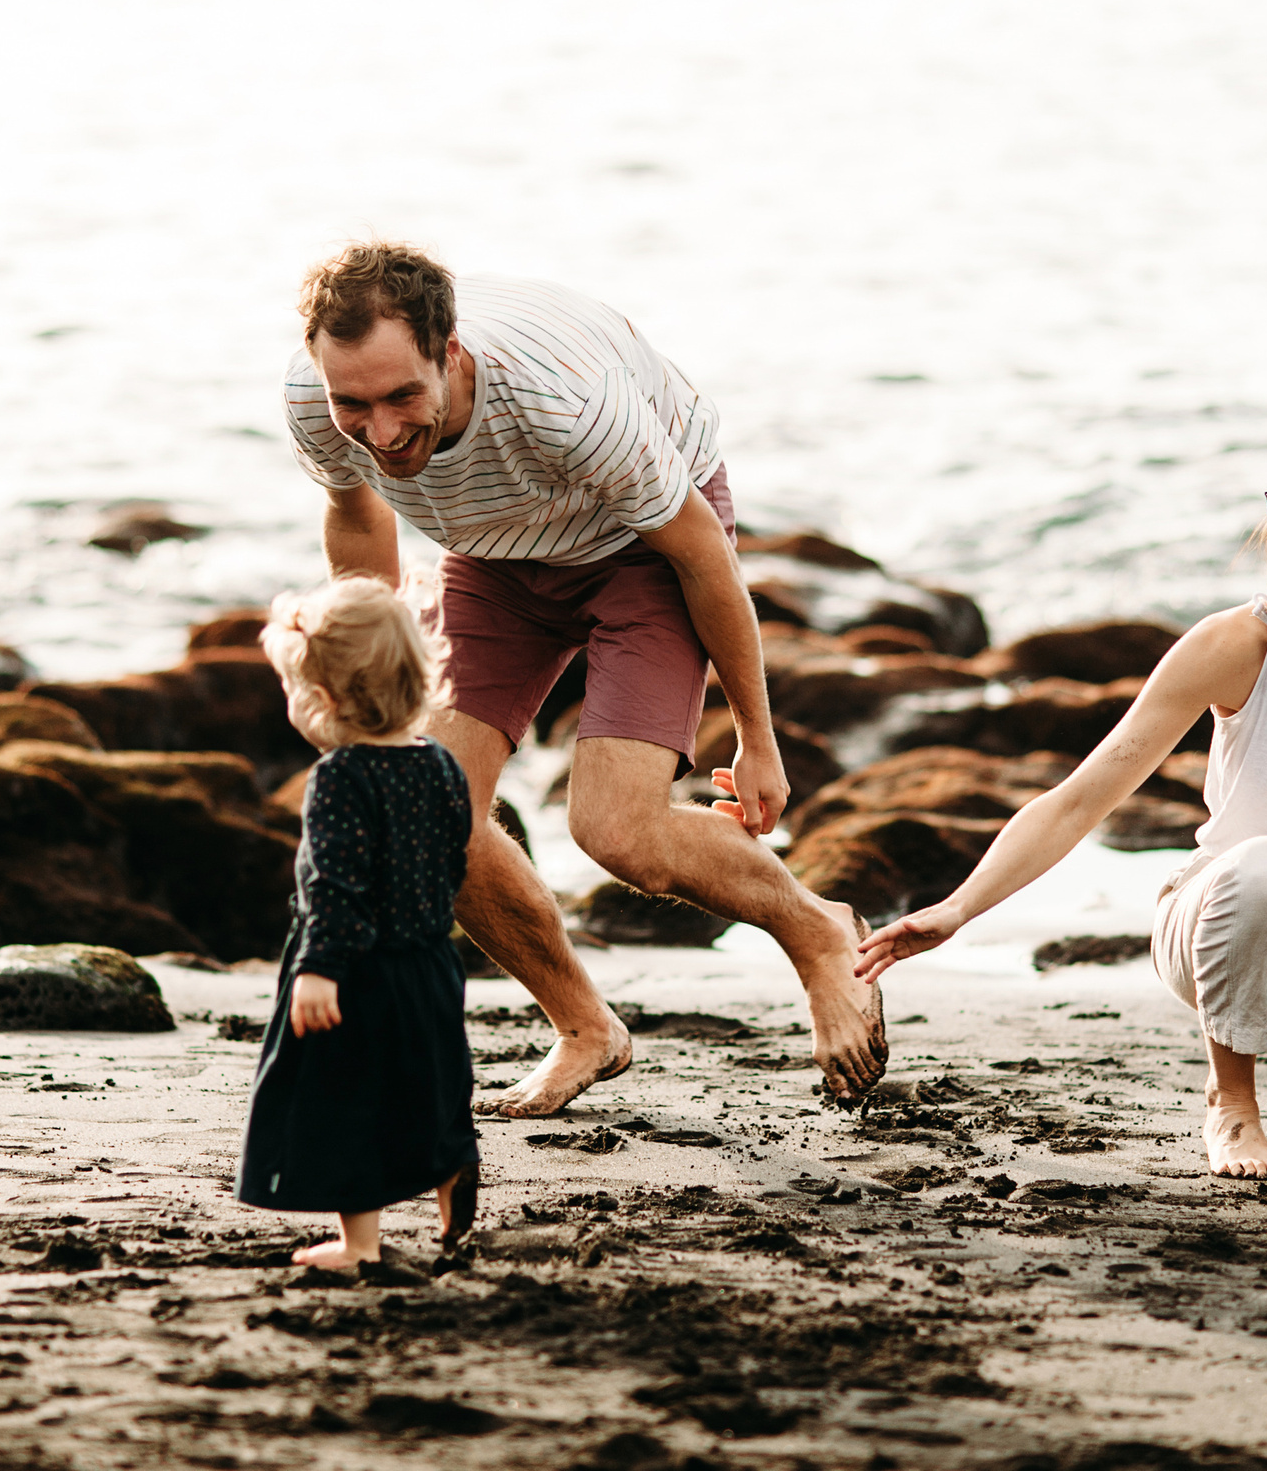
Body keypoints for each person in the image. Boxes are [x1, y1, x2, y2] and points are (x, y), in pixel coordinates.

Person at [284, 241, 887, 1114]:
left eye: (402, 397)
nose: (379, 431)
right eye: (355, 405)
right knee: (426, 809)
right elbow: (356, 514)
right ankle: (586, 1030)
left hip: (641, 550)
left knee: (620, 833)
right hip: (491, 553)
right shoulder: (314, 401)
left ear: (450, 354)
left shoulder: (565, 405)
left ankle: (819, 933)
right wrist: (364, 675)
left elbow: (702, 555)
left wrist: (759, 738)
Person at [855, 403, 1267, 1176]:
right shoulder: (1235, 646)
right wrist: (959, 908)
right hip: (1227, 921)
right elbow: (1080, 799)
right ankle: (1233, 1104)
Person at [236, 577, 480, 1268]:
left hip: (357, 972)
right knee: (431, 1085)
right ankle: (451, 1185)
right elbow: (453, 856)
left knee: (349, 1103)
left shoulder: (341, 778)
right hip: (431, 962)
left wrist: (319, 969)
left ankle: (360, 1246)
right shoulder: (440, 765)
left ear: (329, 700)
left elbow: (334, 885)